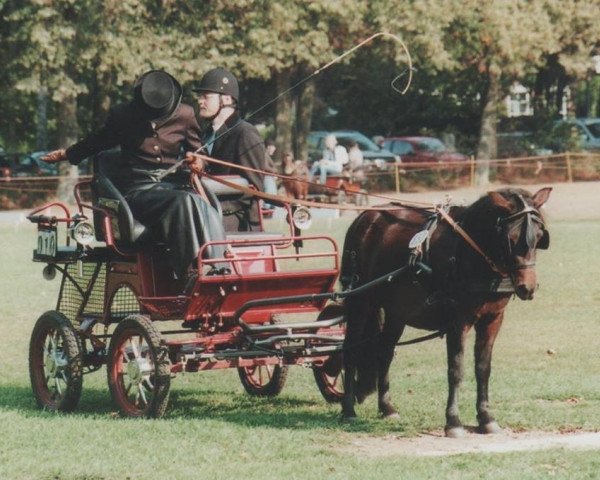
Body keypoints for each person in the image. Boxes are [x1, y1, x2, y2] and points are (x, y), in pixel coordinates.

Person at [41, 70, 229, 282]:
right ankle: (190, 274)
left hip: (173, 187)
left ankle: (220, 268)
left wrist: (198, 161)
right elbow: (98, 140)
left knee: (202, 204)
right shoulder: (123, 115)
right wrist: (68, 153)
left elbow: (201, 153)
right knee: (184, 200)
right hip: (138, 192)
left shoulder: (185, 114)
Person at [190, 67, 267, 231]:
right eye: (200, 97)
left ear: (225, 99)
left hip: (237, 220)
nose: (200, 101)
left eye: (206, 97)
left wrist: (211, 206)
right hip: (209, 213)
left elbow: (254, 189)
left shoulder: (245, 132)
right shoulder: (206, 134)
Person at [262, 139, 278, 209]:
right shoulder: (264, 155)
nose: (274, 150)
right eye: (273, 148)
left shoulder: (266, 155)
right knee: (269, 197)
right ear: (268, 147)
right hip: (267, 178)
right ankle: (267, 210)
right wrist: (274, 170)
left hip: (269, 178)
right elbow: (265, 167)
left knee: (272, 197)